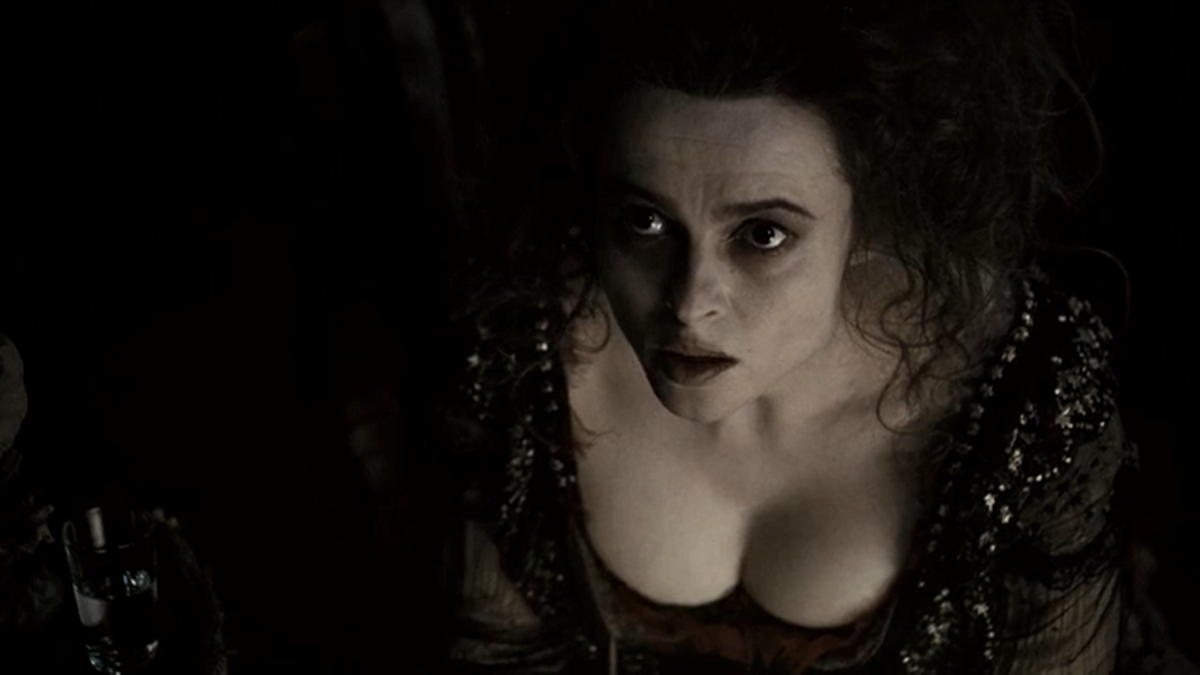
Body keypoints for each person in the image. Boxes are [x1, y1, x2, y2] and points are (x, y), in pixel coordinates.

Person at [426, 0, 1172, 672]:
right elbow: (498, 652)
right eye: (644, 221)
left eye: (762, 234)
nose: (689, 303)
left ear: (870, 214)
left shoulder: (1028, 396)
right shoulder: (524, 342)